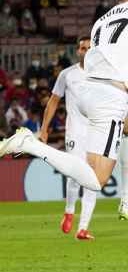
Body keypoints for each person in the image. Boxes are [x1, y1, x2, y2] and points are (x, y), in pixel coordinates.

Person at [0, 0, 128, 224]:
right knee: (96, 179)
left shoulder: (101, 21)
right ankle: (29, 144)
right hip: (109, 96)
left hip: (88, 92)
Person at [39, 37, 97, 240]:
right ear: (78, 52)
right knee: (75, 176)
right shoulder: (67, 74)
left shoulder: (104, 74)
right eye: (83, 48)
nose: (86, 51)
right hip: (75, 132)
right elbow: (54, 101)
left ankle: (83, 228)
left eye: (90, 48)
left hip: (97, 133)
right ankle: (69, 211)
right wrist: (44, 128)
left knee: (93, 179)